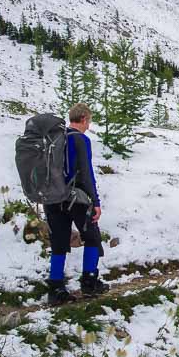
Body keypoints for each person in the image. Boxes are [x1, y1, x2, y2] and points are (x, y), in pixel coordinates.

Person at [45, 103, 108, 305]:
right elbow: (86, 173)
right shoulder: (81, 140)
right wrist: (95, 201)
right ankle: (89, 282)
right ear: (84, 119)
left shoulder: (55, 139)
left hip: (52, 197)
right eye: (89, 120)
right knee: (92, 236)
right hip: (75, 198)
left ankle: (55, 288)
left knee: (59, 241)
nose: (89, 124)